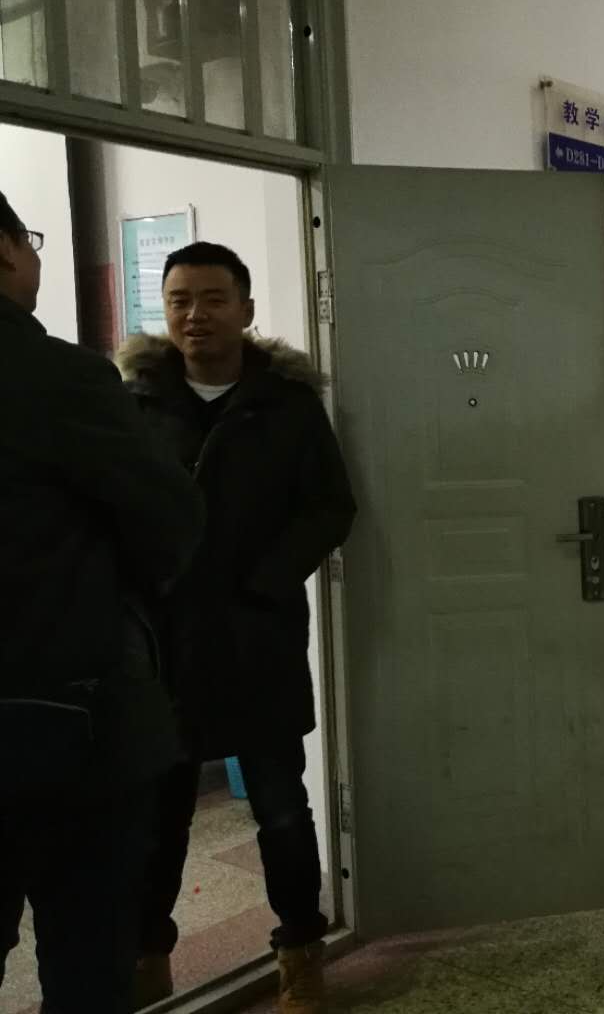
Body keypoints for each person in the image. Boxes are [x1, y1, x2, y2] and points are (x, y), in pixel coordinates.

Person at [120, 242, 356, 1013]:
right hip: (165, 646)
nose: (196, 315)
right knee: (160, 817)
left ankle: (301, 954)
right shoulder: (136, 403)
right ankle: (148, 956)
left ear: (246, 309)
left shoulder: (286, 405)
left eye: (214, 298)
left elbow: (330, 506)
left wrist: (263, 583)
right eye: (180, 299)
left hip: (259, 640)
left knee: (282, 811)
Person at [0, 190, 204, 1012]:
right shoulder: (56, 374)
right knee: (87, 957)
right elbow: (170, 521)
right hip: (64, 718)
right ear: (5, 251)